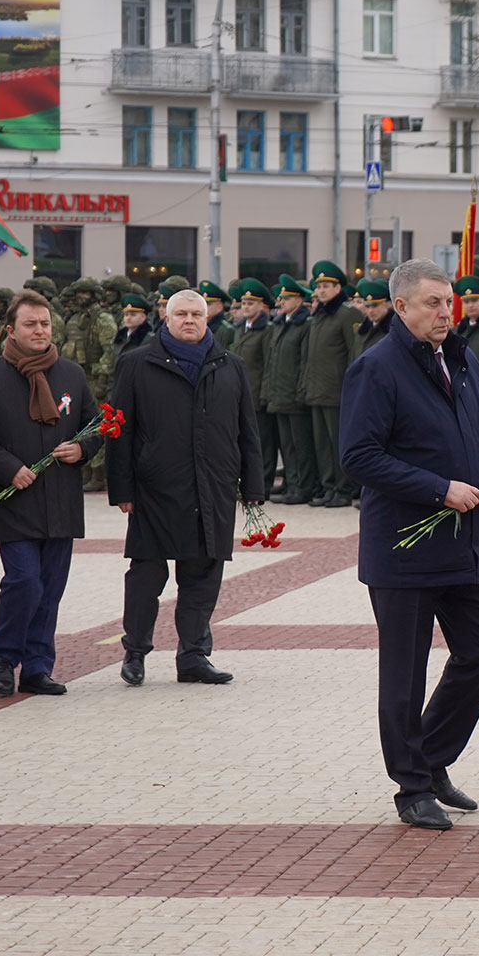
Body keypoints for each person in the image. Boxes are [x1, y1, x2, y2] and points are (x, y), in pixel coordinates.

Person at [341, 259, 479, 830]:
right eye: (433, 303)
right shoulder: (377, 368)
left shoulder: (462, 358)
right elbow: (359, 456)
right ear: (401, 307)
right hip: (404, 550)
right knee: (404, 674)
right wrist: (439, 489)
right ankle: (411, 789)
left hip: (465, 544)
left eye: (449, 301)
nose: (445, 312)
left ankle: (432, 759)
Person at [107, 290, 262, 689]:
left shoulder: (230, 365)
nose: (189, 320)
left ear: (207, 318)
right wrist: (122, 488)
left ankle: (193, 656)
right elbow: (120, 430)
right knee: (146, 575)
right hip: (155, 489)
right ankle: (135, 651)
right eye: (181, 314)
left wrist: (253, 486)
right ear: (167, 317)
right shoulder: (137, 363)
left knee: (203, 576)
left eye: (196, 313)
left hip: (213, 487)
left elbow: (247, 430)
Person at [0, 289, 100, 698]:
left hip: (60, 498)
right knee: (24, 580)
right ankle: (5, 658)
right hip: (13, 497)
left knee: (50, 587)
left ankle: (38, 668)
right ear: (11, 330)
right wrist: (9, 468)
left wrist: (82, 449)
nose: (40, 330)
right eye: (30, 324)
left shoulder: (71, 374)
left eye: (45, 323)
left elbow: (95, 425)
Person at [302, 261, 361, 508]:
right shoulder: (319, 314)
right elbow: (310, 355)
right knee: (322, 445)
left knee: (338, 444)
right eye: (319, 286)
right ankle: (328, 488)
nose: (321, 290)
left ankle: (343, 489)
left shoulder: (347, 314)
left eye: (327, 286)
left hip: (337, 391)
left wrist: (351, 388)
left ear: (338, 287)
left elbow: (354, 353)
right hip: (317, 389)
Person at [264, 275, 317, 504]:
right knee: (287, 447)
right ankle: (292, 485)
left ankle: (303, 487)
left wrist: (301, 390)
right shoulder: (280, 324)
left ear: (299, 301)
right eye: (281, 298)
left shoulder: (304, 325)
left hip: (294, 394)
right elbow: (272, 362)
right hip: (279, 394)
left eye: (286, 298)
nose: (281, 302)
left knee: (301, 446)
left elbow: (304, 362)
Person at [230, 279, 279, 498]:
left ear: (261, 306)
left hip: (257, 394)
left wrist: (265, 394)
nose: (246, 307)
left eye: (251, 303)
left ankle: (263, 484)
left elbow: (269, 364)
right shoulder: (241, 329)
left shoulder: (266, 330)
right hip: (240, 394)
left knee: (263, 444)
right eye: (243, 303)